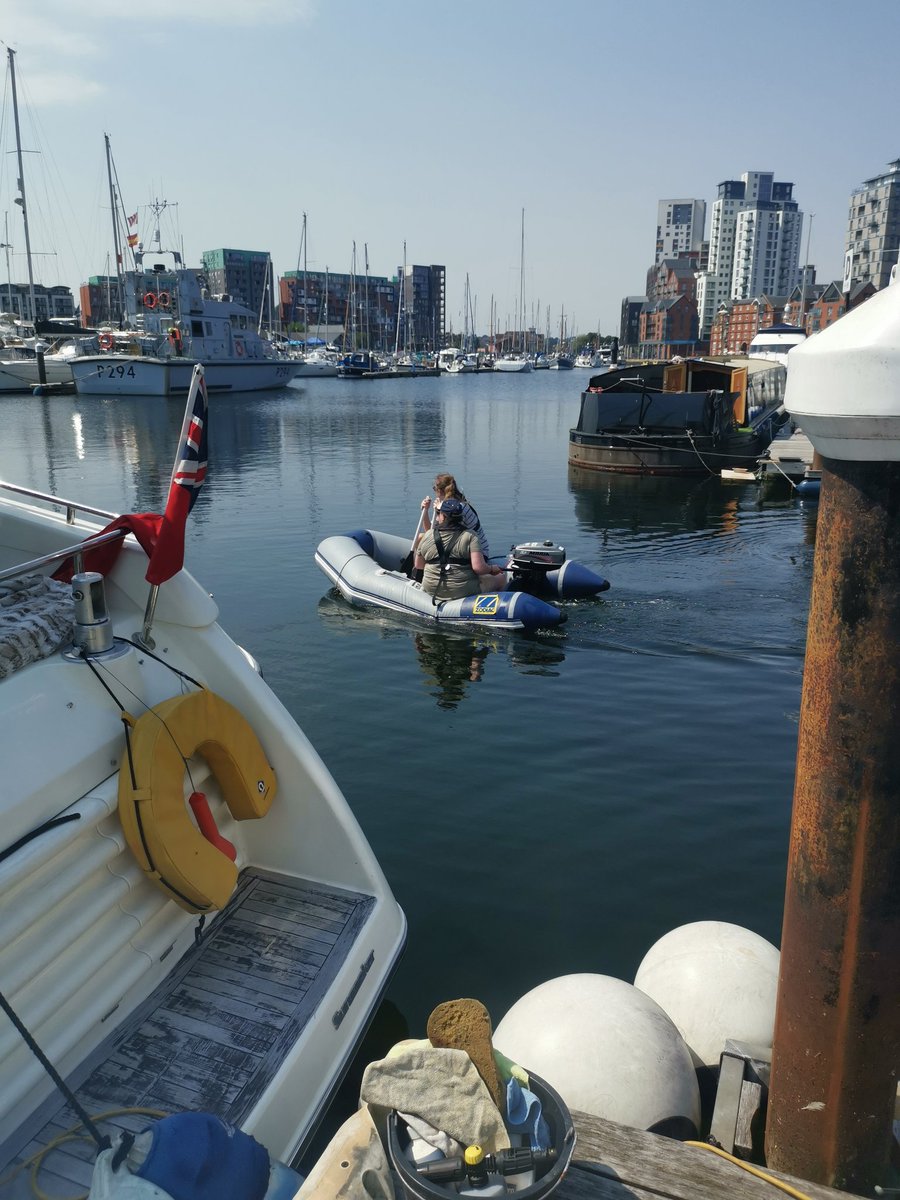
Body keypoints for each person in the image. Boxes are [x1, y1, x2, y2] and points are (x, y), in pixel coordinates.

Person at [414, 498, 504, 600]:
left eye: (438, 513)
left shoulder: (427, 535)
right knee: (501, 578)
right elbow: (479, 568)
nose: (437, 516)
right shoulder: (470, 536)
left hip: (431, 588)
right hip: (462, 590)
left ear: (443, 516)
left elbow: (419, 565)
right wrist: (492, 569)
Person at [419, 473, 490, 557]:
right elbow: (430, 532)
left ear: (439, 491)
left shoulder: (457, 508)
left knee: (422, 538)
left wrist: (440, 510)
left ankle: (422, 566)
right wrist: (425, 510)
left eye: (434, 488)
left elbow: (436, 531)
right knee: (421, 537)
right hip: (459, 544)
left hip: (476, 552)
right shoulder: (446, 506)